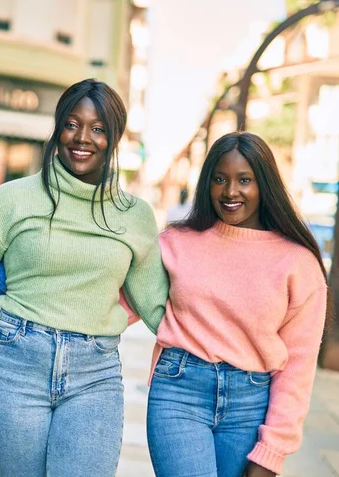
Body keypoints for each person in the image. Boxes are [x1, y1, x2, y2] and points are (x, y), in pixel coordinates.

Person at [0, 78, 169, 477]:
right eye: (72, 123)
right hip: (16, 366)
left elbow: (158, 305)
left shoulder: (133, 215)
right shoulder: (12, 199)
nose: (83, 137)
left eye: (98, 128)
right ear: (57, 128)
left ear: (114, 138)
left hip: (94, 376)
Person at [143, 131, 329, 477]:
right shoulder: (176, 242)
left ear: (265, 185)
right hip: (179, 393)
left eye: (245, 180)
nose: (230, 192)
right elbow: (118, 296)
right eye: (219, 179)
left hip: (251, 406)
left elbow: (298, 366)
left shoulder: (298, 264)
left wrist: (273, 449)